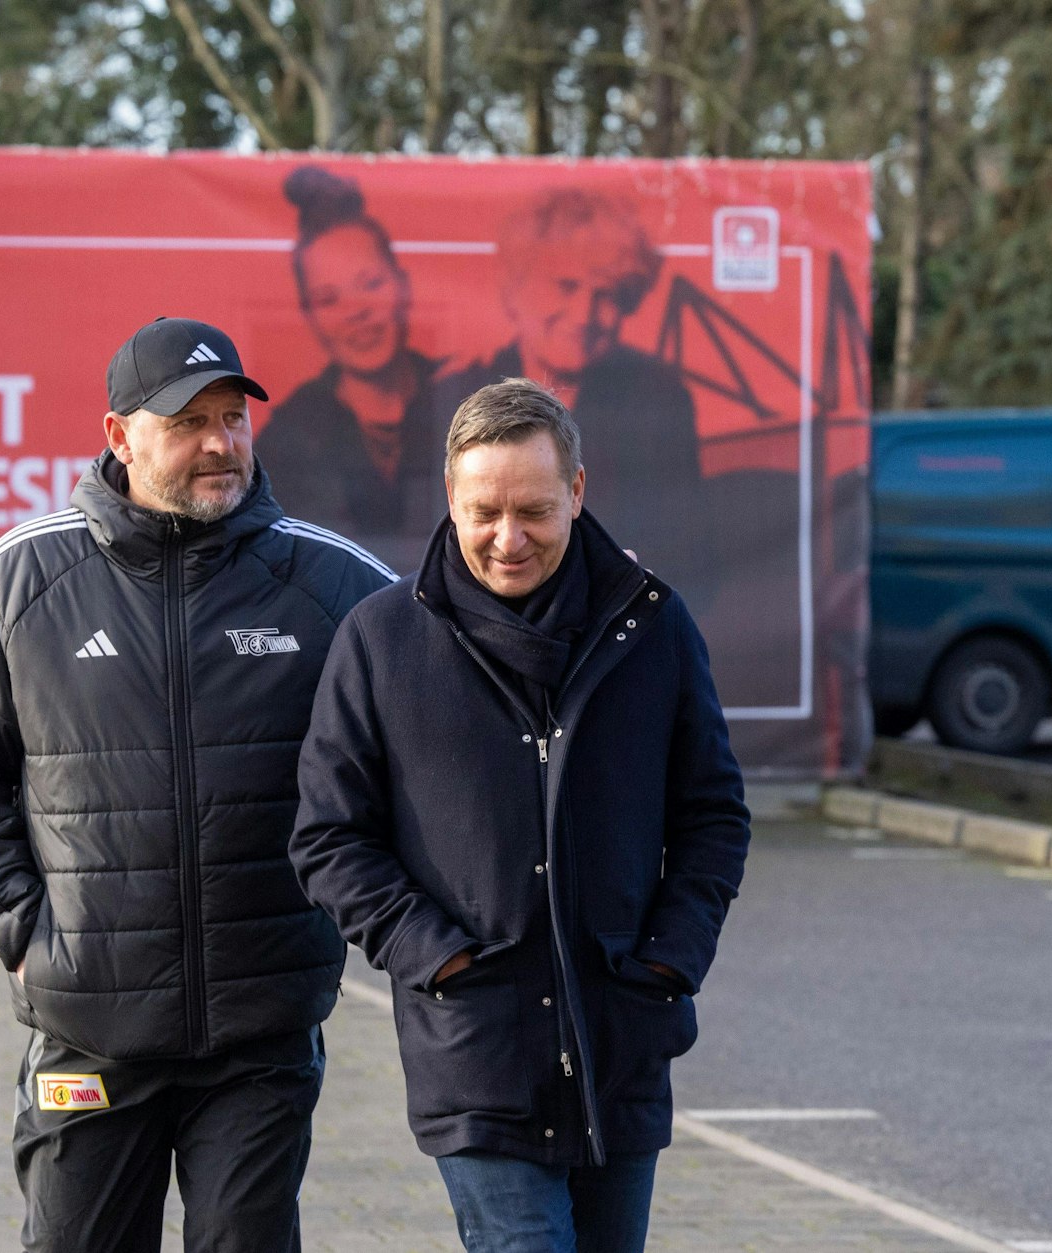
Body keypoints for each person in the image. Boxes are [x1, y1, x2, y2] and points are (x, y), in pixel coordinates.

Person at [0, 316, 394, 1253]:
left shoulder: (333, 583)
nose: (220, 442)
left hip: (262, 1030)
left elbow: (428, 743)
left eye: (233, 418)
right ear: (120, 435)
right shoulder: (23, 577)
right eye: (189, 421)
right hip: (89, 1025)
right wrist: (17, 922)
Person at [290, 379, 751, 1253]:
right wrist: (438, 954)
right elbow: (327, 835)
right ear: (449, 498)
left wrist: (670, 959)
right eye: (484, 511)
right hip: (476, 1050)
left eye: (535, 510)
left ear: (578, 491)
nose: (509, 539)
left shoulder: (652, 627)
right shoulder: (381, 641)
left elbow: (714, 816)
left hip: (622, 1039)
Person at [432, 189, 715, 607]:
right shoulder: (451, 394)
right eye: (565, 287)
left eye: (607, 295)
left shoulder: (658, 399)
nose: (584, 314)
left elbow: (685, 551)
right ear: (516, 286)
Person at [257, 166, 446, 573]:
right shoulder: (286, 439)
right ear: (309, 316)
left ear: (404, 286)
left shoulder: (462, 398)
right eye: (328, 299)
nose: (356, 312)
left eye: (371, 284)